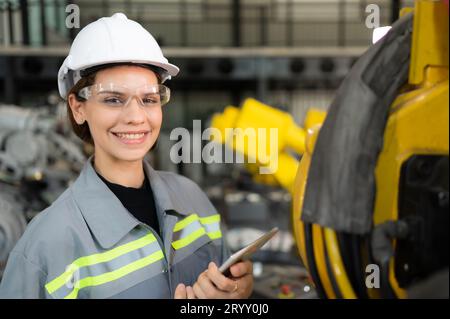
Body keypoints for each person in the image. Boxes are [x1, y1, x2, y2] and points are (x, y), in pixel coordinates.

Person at [0, 13, 253, 299]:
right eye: (113, 99)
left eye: (149, 99)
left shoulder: (193, 200)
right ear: (78, 108)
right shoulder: (44, 246)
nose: (136, 117)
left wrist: (236, 294)